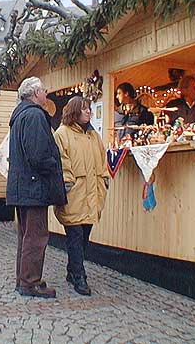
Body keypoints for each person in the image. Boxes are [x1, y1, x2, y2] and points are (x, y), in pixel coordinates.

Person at [6, 77, 66, 299]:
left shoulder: (21, 115)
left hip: (22, 187)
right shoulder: (34, 115)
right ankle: (30, 283)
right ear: (35, 93)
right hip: (33, 187)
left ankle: (23, 279)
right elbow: (38, 154)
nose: (47, 93)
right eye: (44, 90)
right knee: (36, 235)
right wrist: (54, 164)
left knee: (26, 235)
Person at [53, 96, 109, 296]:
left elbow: (102, 159)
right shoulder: (62, 134)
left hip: (92, 194)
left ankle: (71, 270)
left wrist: (104, 178)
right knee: (75, 237)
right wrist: (68, 183)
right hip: (74, 194)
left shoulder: (94, 136)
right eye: (84, 109)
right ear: (74, 111)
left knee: (84, 236)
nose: (89, 112)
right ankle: (80, 277)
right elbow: (61, 161)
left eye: (89, 109)